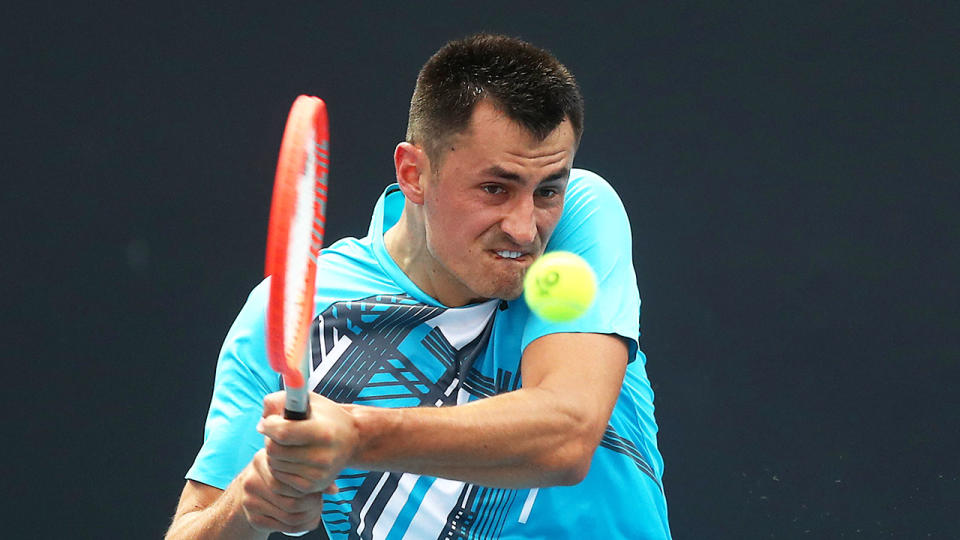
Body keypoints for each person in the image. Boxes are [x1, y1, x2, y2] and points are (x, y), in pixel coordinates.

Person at [166, 34, 671, 539]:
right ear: (413, 173)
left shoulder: (580, 216)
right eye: (495, 188)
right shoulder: (295, 309)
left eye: (546, 190)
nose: (525, 227)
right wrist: (251, 506)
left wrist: (356, 436)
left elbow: (566, 435)